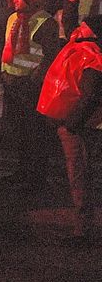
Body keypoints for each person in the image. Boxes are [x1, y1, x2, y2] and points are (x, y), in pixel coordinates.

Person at [37, 15, 102, 246]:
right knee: (81, 174)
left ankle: (83, 230)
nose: (78, 29)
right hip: (75, 123)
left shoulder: (91, 56)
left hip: (80, 126)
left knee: (80, 175)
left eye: (83, 27)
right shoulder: (84, 50)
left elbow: (91, 97)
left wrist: (70, 124)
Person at [0, 0, 58, 189]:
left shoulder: (45, 23)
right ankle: (22, 171)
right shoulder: (13, 19)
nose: (14, 0)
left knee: (34, 134)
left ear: (31, 0)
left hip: (30, 87)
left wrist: (35, 78)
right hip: (12, 83)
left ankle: (35, 178)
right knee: (20, 133)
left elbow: (50, 56)